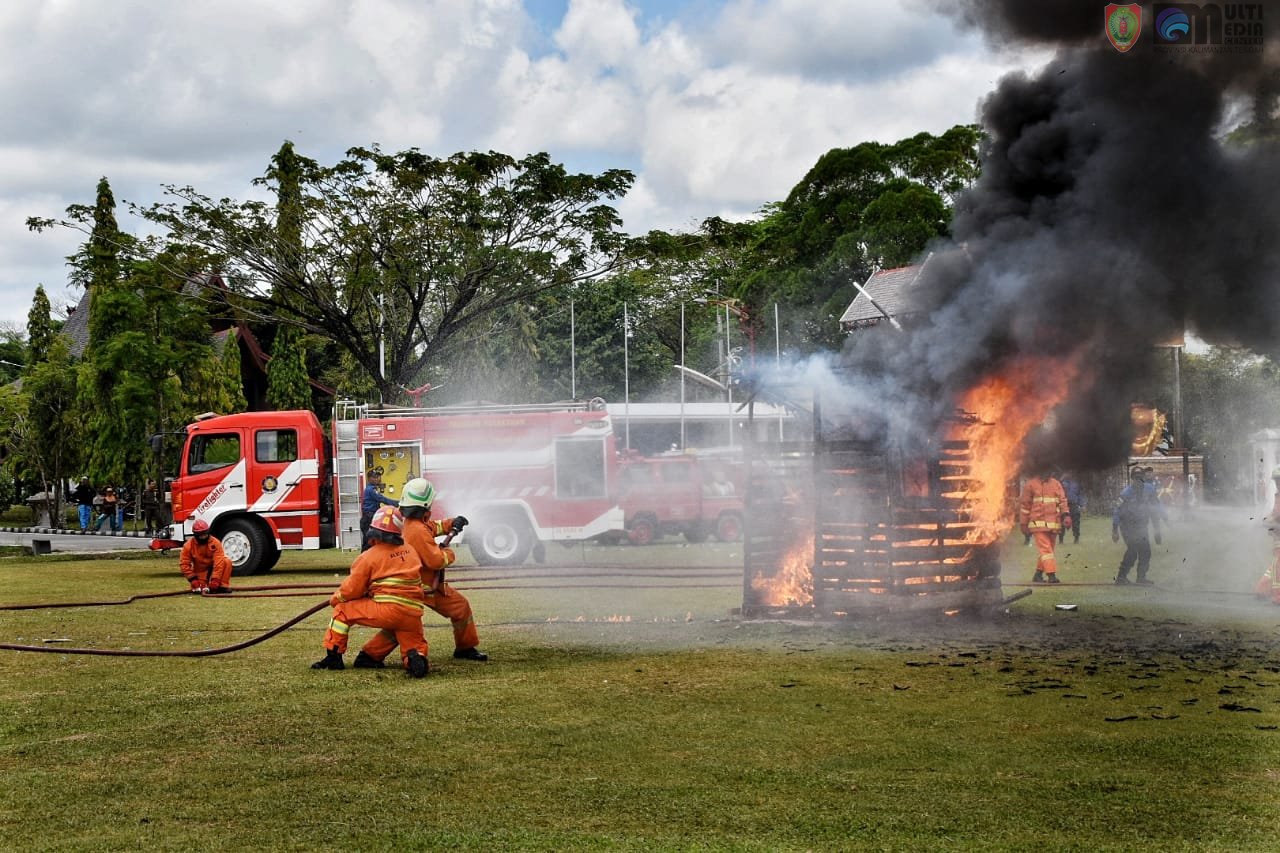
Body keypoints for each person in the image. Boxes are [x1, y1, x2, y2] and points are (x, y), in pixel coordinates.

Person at [354, 477, 488, 669]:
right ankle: (465, 648)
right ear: (425, 505)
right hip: (422, 587)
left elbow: (433, 527)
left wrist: (452, 523)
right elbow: (435, 560)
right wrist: (448, 554)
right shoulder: (416, 530)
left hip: (412, 584)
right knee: (448, 611)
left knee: (402, 623)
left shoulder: (409, 522)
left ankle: (369, 656)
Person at [312, 505, 429, 677]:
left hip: (388, 608)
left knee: (342, 612)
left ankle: (333, 657)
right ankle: (407, 659)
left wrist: (337, 598)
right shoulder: (410, 550)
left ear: (373, 530)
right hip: (412, 613)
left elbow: (352, 589)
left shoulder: (368, 557)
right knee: (404, 637)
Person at [1112, 467, 1164, 585]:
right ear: (1132, 479)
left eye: (1140, 478)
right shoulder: (1125, 493)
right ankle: (1121, 577)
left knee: (1146, 551)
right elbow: (1117, 511)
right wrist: (1115, 531)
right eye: (1136, 479)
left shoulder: (1150, 490)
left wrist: (1157, 531)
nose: (1138, 481)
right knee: (1133, 550)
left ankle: (1141, 577)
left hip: (1141, 525)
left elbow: (1154, 510)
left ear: (1143, 479)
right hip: (1127, 526)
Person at [1019, 465, 1070, 583]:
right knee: (1046, 550)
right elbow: (1025, 507)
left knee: (1048, 552)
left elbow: (1063, 501)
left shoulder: (1056, 484)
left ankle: (1037, 575)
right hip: (1038, 525)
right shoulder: (1030, 485)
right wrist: (1023, 524)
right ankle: (1051, 575)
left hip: (1054, 525)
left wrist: (1066, 515)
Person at [179, 518, 234, 594]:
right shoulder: (188, 546)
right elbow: (184, 565)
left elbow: (219, 563)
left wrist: (215, 580)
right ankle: (206, 586)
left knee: (226, 561)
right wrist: (193, 580)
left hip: (214, 570)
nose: (204, 537)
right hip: (200, 573)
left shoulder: (216, 543)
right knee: (200, 588)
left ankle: (222, 586)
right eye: (201, 535)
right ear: (195, 535)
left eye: (205, 534)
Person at [359, 468, 398, 551]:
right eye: (374, 477)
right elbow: (382, 499)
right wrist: (398, 503)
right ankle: (363, 560)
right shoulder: (371, 490)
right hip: (368, 518)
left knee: (371, 541)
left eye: (378, 477)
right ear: (369, 478)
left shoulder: (372, 489)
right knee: (368, 542)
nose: (377, 479)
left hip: (370, 517)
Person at [1058, 473, 1086, 544]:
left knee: (1076, 523)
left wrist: (1082, 505)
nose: (1069, 474)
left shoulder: (1076, 484)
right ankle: (1061, 540)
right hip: (1064, 505)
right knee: (1061, 523)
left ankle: (1076, 538)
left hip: (1074, 505)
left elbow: (1080, 495)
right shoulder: (1061, 483)